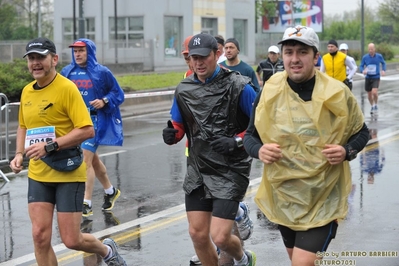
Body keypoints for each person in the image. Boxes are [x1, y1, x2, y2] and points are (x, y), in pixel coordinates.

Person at [243, 26, 369, 266]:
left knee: (302, 263)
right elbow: (250, 135)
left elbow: (360, 132)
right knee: (298, 261)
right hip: (285, 196)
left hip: (324, 196)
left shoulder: (337, 93)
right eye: (289, 52)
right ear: (282, 56)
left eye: (302, 52)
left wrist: (346, 151)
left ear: (315, 56)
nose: (295, 59)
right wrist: (258, 150)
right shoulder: (269, 91)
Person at [9, 37, 126, 266]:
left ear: (54, 59)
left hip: (68, 172)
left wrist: (49, 146)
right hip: (39, 173)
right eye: (31, 58)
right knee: (40, 236)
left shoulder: (67, 88)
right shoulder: (26, 92)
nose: (35, 63)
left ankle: (106, 249)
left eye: (40, 57)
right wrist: (19, 154)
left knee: (71, 239)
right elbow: (23, 125)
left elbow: (86, 130)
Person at [162, 33, 257, 266]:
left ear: (217, 54)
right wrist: (172, 134)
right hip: (198, 168)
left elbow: (261, 126)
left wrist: (235, 141)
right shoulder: (183, 89)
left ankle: (243, 258)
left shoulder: (239, 86)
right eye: (193, 58)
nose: (198, 63)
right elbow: (179, 125)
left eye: (203, 57)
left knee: (221, 236)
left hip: (230, 169)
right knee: (197, 234)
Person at [60, 38, 124, 217]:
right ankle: (111, 192)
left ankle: (86, 202)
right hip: (73, 123)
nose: (78, 54)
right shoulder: (67, 71)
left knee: (85, 161)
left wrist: (104, 101)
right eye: (75, 51)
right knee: (93, 160)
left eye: (81, 51)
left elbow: (117, 94)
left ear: (90, 52)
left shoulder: (102, 72)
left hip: (93, 123)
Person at [359, 43, 386, 115]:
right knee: (369, 95)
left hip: (376, 77)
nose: (370, 50)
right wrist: (362, 71)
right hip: (368, 77)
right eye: (369, 49)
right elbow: (361, 66)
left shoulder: (379, 56)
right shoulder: (365, 57)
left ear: (374, 49)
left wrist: (383, 70)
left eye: (372, 49)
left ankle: (376, 104)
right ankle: (372, 105)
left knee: (374, 92)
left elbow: (383, 63)